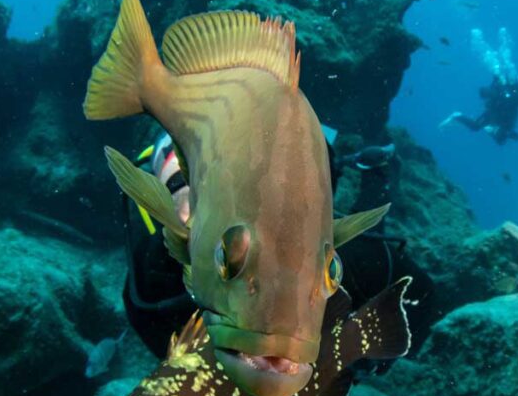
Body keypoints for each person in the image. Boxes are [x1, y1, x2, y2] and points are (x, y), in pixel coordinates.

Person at [119, 129, 437, 361]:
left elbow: (425, 304)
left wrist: (376, 355)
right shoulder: (152, 285)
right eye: (178, 183)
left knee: (360, 229)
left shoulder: (348, 257)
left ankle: (376, 170)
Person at [440, 76, 518, 145]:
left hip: (508, 120)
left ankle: (492, 129)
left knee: (501, 141)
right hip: (492, 114)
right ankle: (457, 116)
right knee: (475, 127)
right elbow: (483, 92)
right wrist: (496, 94)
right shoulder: (501, 89)